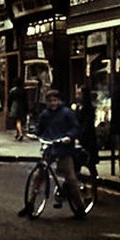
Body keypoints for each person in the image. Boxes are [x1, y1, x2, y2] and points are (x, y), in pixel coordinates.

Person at [18, 90, 85, 218]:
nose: (53, 103)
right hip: (50, 147)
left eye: (55, 100)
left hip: (64, 149)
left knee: (70, 178)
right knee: (39, 176)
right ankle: (30, 204)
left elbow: (75, 127)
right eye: (50, 101)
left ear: (59, 101)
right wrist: (34, 134)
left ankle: (80, 207)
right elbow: (40, 128)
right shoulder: (45, 114)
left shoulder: (66, 113)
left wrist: (69, 137)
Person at [74, 85, 99, 177]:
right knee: (76, 164)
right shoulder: (77, 107)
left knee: (90, 164)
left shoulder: (89, 108)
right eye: (76, 94)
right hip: (79, 140)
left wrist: (79, 136)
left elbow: (87, 125)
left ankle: (94, 185)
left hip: (88, 140)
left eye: (79, 94)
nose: (77, 96)